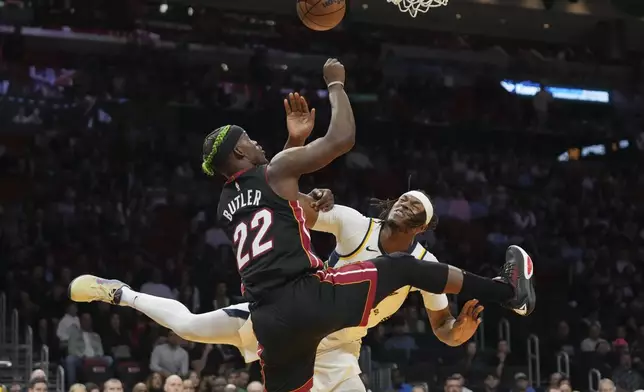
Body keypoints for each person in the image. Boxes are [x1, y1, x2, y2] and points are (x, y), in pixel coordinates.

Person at [71, 59, 535, 392]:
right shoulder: (354, 221)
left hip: (280, 324)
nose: (257, 142)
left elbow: (288, 204)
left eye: (417, 207)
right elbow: (325, 163)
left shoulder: (226, 200)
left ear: (423, 227)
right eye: (250, 140)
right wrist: (335, 84)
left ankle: (121, 293)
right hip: (311, 304)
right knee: (403, 267)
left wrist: (295, 148)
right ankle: (508, 290)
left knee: (190, 324)